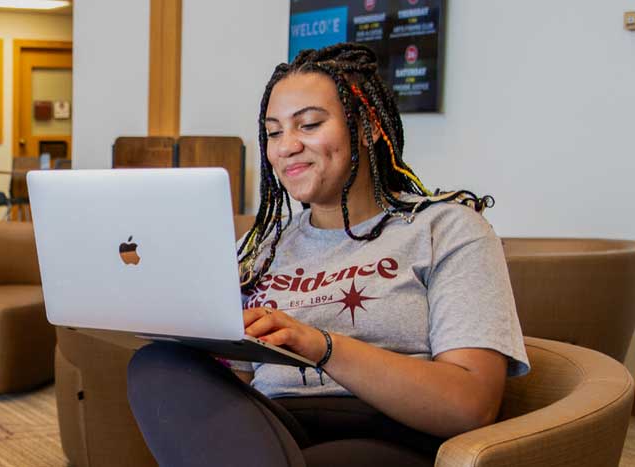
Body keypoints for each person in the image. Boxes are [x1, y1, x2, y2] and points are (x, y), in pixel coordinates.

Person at [124, 43, 529, 467]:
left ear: (368, 126)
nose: (286, 147)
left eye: (309, 124)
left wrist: (320, 345)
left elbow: (470, 405)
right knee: (158, 365)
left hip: (387, 432)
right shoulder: (261, 247)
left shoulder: (446, 229)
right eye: (274, 132)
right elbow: (237, 381)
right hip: (267, 429)